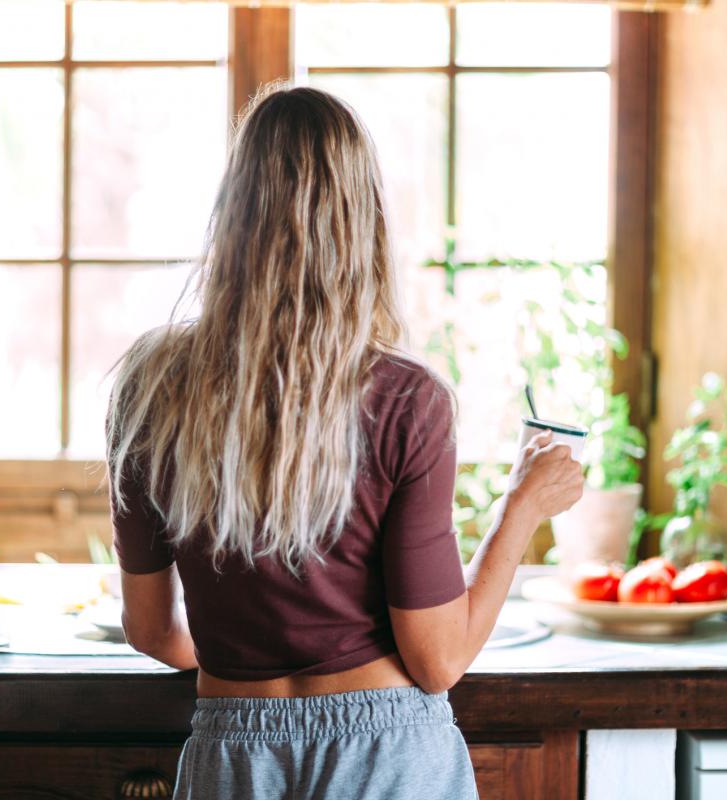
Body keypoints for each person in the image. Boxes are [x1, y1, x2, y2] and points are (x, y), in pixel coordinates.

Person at [105, 85, 584, 800]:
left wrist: (245, 658)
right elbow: (439, 660)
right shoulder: (407, 399)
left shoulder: (151, 387)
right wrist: (521, 504)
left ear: (232, 212)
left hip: (233, 751)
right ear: (364, 221)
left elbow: (151, 632)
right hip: (385, 752)